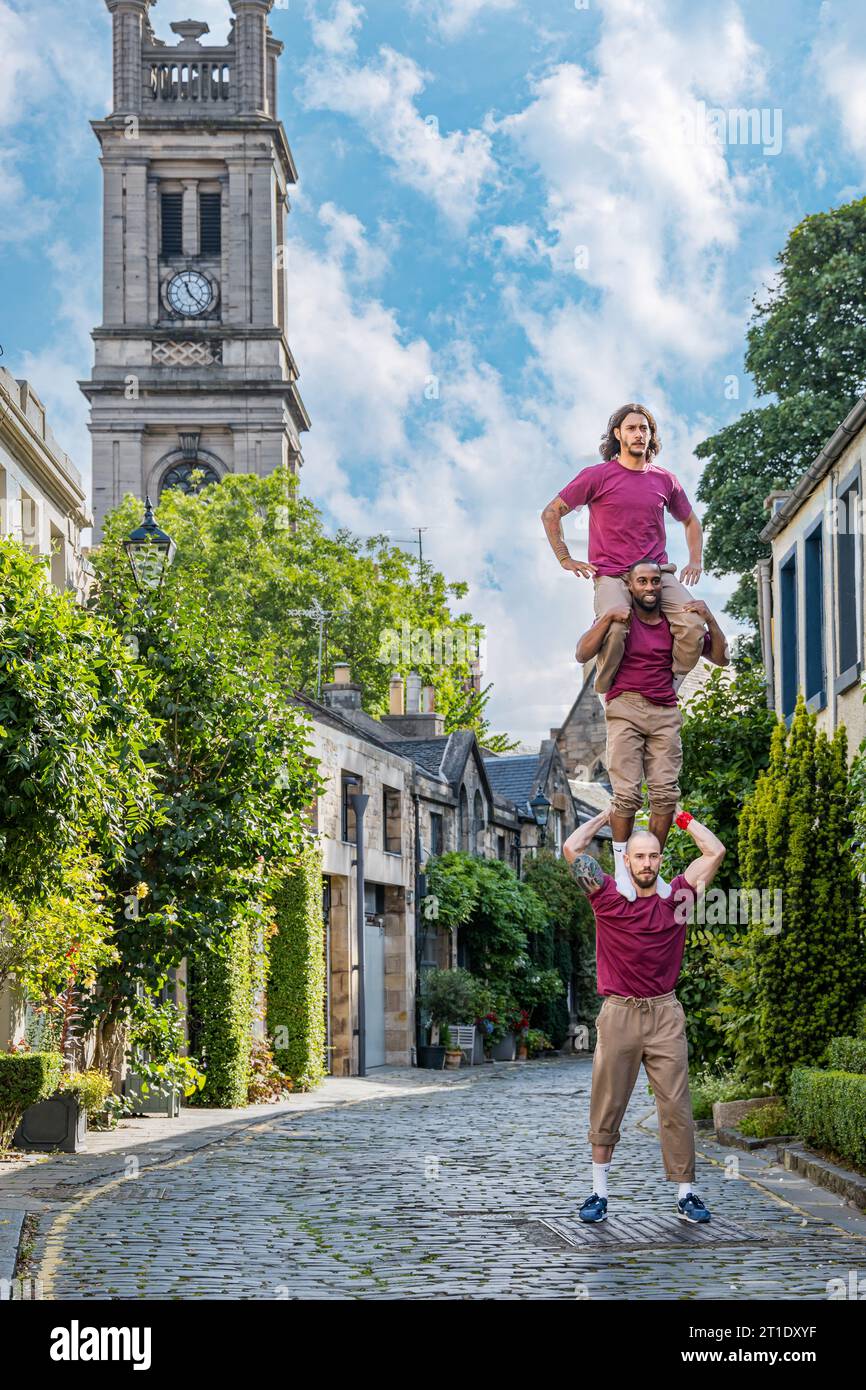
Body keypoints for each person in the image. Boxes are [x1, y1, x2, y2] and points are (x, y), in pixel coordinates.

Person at [563, 805, 726, 1224]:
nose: (647, 862)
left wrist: (680, 816)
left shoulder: (678, 900)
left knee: (676, 1105)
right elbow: (571, 847)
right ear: (627, 860)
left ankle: (686, 1193)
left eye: (653, 855)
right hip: (618, 1013)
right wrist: (608, 814)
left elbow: (714, 852)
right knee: (608, 1103)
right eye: (639, 856)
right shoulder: (607, 899)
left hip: (665, 1013)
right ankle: (598, 1193)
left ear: (660, 860)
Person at [574, 558, 729, 900]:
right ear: (629, 586)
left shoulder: (674, 625)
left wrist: (710, 620)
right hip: (624, 706)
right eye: (642, 581)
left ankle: (651, 868)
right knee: (626, 795)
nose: (649, 588)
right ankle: (621, 866)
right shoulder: (620, 622)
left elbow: (721, 658)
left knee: (665, 795)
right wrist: (607, 619)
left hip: (664, 710)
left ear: (662, 585)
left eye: (655, 581)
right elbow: (581, 653)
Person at [541, 403, 706, 693]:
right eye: (631, 428)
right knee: (615, 628)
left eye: (644, 428)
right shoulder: (596, 476)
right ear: (618, 434)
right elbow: (551, 512)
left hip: (657, 574)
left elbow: (691, 520)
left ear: (650, 435)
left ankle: (671, 680)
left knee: (693, 625)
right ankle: (605, 687)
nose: (639, 434)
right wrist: (565, 558)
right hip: (612, 575)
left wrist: (695, 560)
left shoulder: (665, 480)